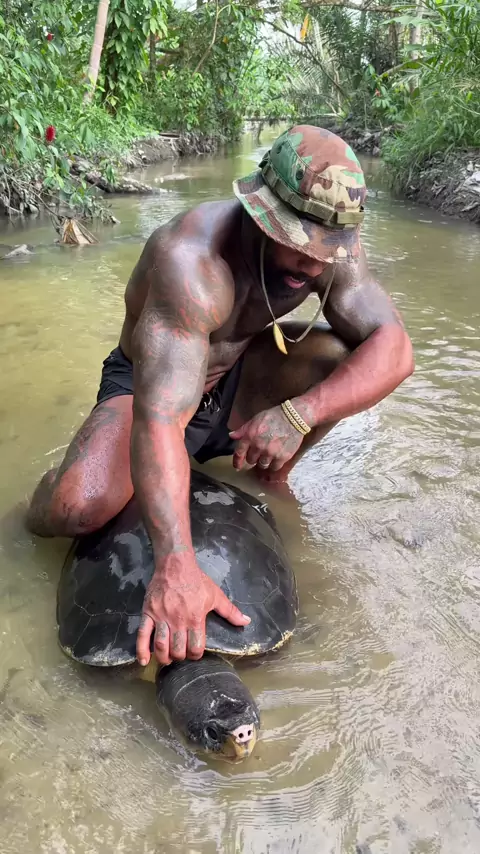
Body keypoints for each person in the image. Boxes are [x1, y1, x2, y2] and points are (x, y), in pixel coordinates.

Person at [26, 125, 414, 668]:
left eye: (327, 249)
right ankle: (37, 500)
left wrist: (299, 414)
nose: (313, 265)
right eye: (298, 243)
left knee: (336, 360)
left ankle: (269, 477)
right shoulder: (191, 261)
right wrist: (176, 568)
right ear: (261, 212)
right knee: (79, 506)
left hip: (235, 380)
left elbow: (396, 350)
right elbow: (162, 419)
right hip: (148, 391)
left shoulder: (331, 254)